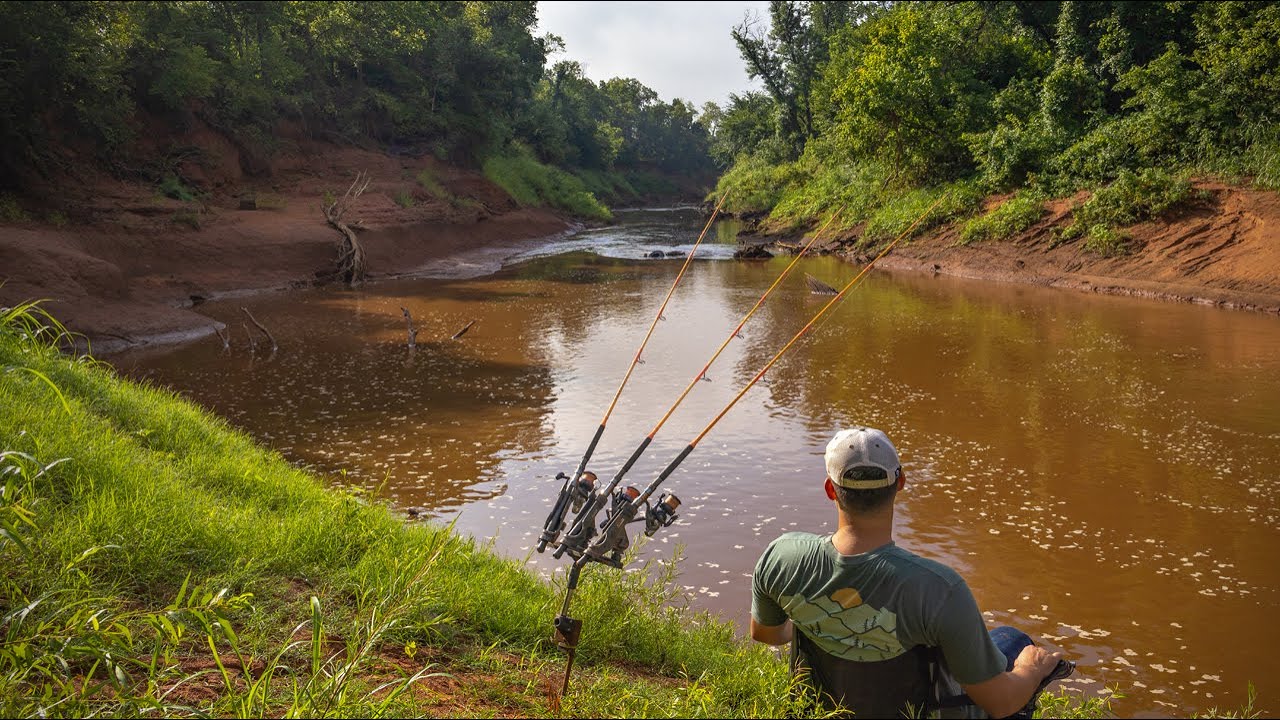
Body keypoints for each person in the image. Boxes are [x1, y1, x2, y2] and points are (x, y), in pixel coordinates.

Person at [749, 427, 1074, 718]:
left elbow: (766, 634)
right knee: (1014, 640)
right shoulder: (939, 589)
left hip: (819, 710)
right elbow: (1000, 703)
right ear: (900, 483)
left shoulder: (782, 558)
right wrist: (1031, 668)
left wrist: (825, 622)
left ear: (830, 489)